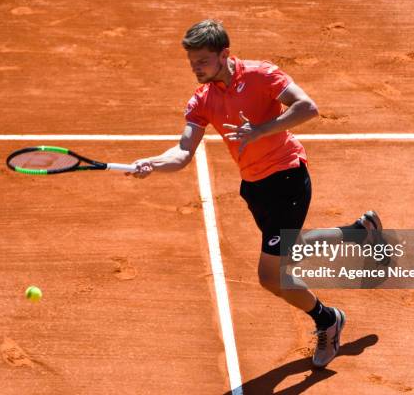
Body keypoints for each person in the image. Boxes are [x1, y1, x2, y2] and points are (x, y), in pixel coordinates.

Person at [127, 19, 384, 368]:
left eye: (202, 61)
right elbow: (184, 152)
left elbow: (307, 108)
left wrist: (262, 130)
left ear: (224, 54)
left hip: (288, 178)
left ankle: (327, 320)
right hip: (254, 188)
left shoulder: (262, 75)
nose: (196, 69)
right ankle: (359, 232)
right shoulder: (201, 100)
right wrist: (155, 163)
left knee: (271, 275)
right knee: (289, 249)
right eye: (192, 63)